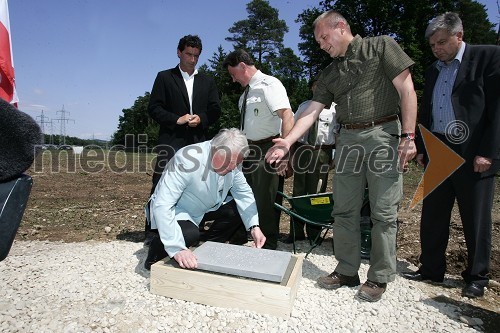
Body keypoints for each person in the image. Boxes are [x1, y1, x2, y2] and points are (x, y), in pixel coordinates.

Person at [266, 10, 417, 302]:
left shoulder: (381, 46)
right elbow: (311, 112)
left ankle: (379, 276)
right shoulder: (330, 73)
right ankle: (347, 270)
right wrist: (287, 141)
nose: (322, 44)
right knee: (343, 209)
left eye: (324, 37)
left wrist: (409, 137)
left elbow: (407, 88)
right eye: (318, 41)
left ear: (341, 27)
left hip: (383, 134)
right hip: (346, 140)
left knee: (383, 212)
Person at [401, 12, 500, 298]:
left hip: (474, 154)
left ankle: (477, 277)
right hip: (438, 151)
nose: (437, 49)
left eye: (442, 43)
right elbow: (429, 110)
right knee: (433, 215)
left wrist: (488, 152)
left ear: (459, 35)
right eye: (433, 45)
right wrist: (421, 145)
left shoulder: (489, 58)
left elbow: (497, 109)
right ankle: (431, 269)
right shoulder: (433, 70)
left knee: (475, 218)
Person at [144, 128, 266, 270]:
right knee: (189, 235)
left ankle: (208, 247)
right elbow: (163, 204)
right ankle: (155, 252)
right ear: (215, 149)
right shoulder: (187, 159)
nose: (233, 168)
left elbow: (243, 193)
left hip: (206, 205)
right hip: (179, 208)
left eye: (237, 163)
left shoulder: (232, 161)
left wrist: (253, 227)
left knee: (236, 210)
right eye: (230, 163)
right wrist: (177, 248)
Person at [146, 35, 221, 242]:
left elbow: (215, 109)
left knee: (199, 183)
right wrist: (175, 119)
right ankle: (153, 231)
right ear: (179, 52)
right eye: (188, 54)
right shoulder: (164, 77)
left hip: (199, 140)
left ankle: (194, 226)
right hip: (171, 138)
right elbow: (154, 107)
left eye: (196, 55)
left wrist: (202, 119)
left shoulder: (207, 81)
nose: (192, 59)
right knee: (161, 181)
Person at [222, 49, 294, 250]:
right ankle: (242, 237)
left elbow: (287, 116)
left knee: (265, 200)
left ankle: (268, 245)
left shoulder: (269, 85)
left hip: (268, 148)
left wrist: (284, 153)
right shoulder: (244, 95)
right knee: (242, 194)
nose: (233, 79)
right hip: (248, 150)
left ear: (242, 66)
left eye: (233, 74)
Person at [281, 77, 337, 244]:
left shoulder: (335, 110)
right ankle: (296, 233)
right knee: (299, 194)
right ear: (312, 88)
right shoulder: (304, 107)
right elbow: (292, 128)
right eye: (316, 86)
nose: (319, 89)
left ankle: (314, 234)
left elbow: (338, 135)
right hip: (303, 152)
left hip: (322, 153)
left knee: (317, 195)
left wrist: (337, 156)